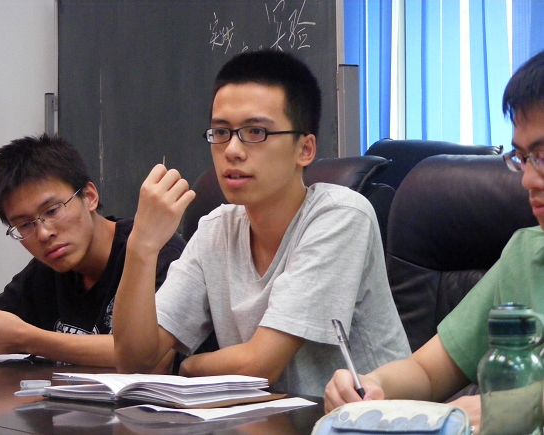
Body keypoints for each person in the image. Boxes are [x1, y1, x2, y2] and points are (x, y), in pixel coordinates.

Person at [112, 49, 410, 397]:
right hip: (264, 417)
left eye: (255, 132)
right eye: (221, 132)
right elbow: (134, 360)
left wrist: (188, 367)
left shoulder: (341, 216)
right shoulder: (216, 229)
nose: (232, 150)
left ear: (305, 149)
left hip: (363, 417)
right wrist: (142, 246)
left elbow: (260, 366)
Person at [324, 49, 544, 432]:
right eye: (523, 157)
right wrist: (373, 385)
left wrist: (525, 406)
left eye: (542, 155)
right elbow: (427, 371)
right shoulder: (527, 253)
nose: (526, 179)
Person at [0, 135, 185, 368]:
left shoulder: (154, 248)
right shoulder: (45, 271)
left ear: (89, 197)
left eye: (52, 211)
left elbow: (151, 358)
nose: (43, 234)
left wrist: (26, 339)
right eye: (25, 225)